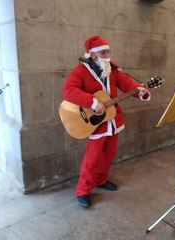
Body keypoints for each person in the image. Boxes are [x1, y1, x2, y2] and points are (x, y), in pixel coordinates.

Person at [63, 35, 151, 208]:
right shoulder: (80, 71)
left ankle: (101, 179)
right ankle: (83, 189)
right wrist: (92, 102)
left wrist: (139, 91)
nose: (107, 55)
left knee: (109, 154)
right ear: (93, 55)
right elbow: (68, 91)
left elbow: (127, 84)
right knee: (92, 157)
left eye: (108, 51)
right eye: (104, 52)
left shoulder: (112, 69)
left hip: (112, 119)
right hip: (95, 122)